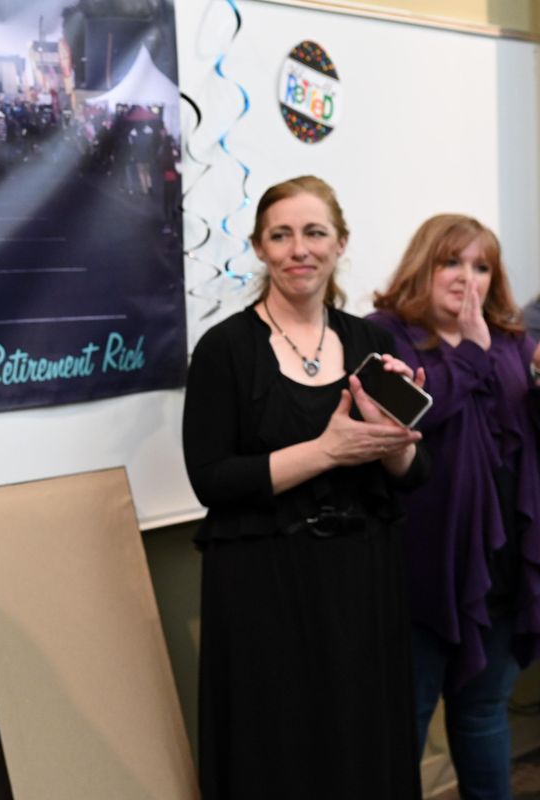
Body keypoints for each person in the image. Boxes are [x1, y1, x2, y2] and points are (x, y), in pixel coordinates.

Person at [182, 175, 428, 800]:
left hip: (361, 582)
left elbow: (412, 475)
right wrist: (326, 451)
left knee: (359, 745)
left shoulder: (372, 342)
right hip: (263, 586)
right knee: (278, 749)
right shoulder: (224, 350)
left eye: (315, 233)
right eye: (281, 235)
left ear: (340, 243)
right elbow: (211, 479)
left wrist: (391, 441)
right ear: (261, 248)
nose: (300, 249)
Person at [369, 214, 540, 800]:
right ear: (424, 266)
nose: (467, 277)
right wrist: (471, 351)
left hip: (504, 569)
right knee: (406, 720)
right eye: (452, 262)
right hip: (422, 570)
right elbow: (408, 420)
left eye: (481, 266)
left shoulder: (518, 344)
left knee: (484, 712)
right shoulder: (382, 335)